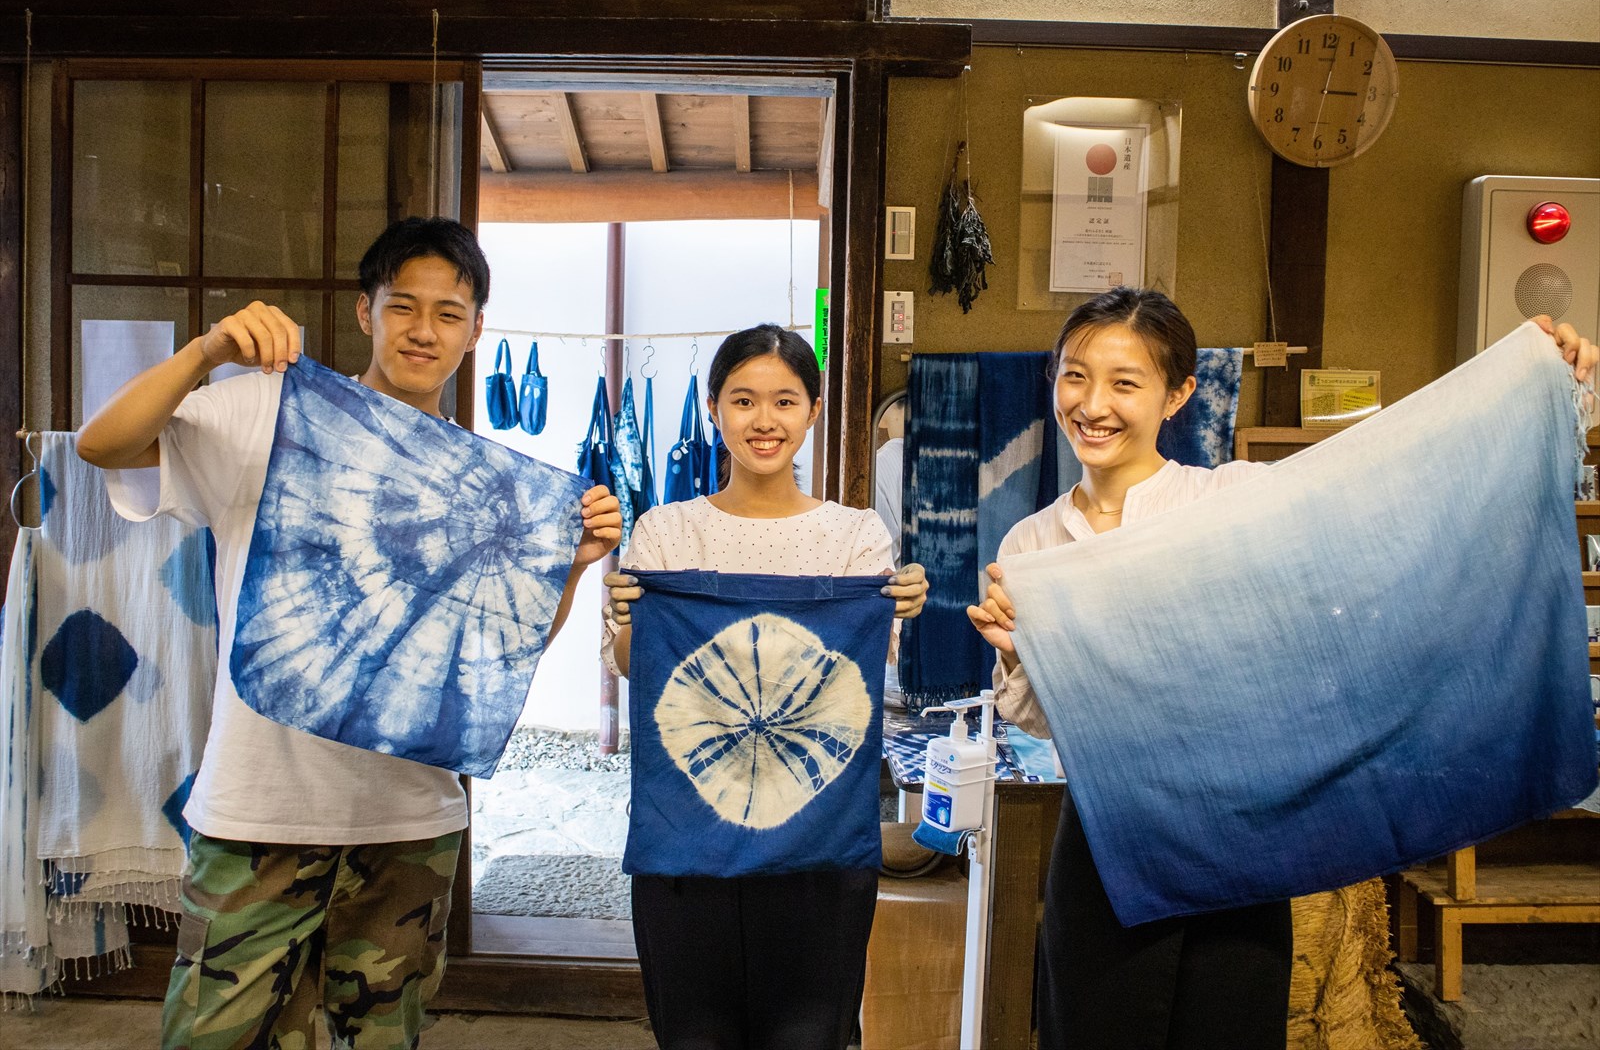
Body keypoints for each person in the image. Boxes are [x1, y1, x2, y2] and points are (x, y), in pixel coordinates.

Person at [965, 288, 1596, 1050]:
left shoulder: (1231, 501)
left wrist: (1544, 390)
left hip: (1242, 835)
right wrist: (1017, 656)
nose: (1093, 404)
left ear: (1178, 394)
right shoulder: (1033, 546)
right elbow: (1037, 720)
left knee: (1230, 1029)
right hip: (1110, 838)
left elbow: (1381, 505)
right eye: (1074, 376)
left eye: (1125, 382)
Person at [76, 217, 621, 1050]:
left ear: (477, 333)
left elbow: (501, 652)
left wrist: (574, 565)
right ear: (367, 313)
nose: (424, 330)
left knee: (380, 1039)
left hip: (409, 821)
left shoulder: (488, 483)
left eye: (449, 313)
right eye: (404, 306)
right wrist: (206, 351)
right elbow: (101, 445)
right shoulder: (270, 412)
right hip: (258, 810)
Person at [603, 323, 928, 1050]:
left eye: (785, 401)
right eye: (743, 400)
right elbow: (634, 665)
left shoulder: (855, 538)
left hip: (817, 846)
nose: (764, 420)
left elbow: (866, 671)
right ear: (714, 408)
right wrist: (627, 617)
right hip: (686, 845)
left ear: (813, 410)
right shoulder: (665, 531)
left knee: (809, 1037)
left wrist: (902, 605)